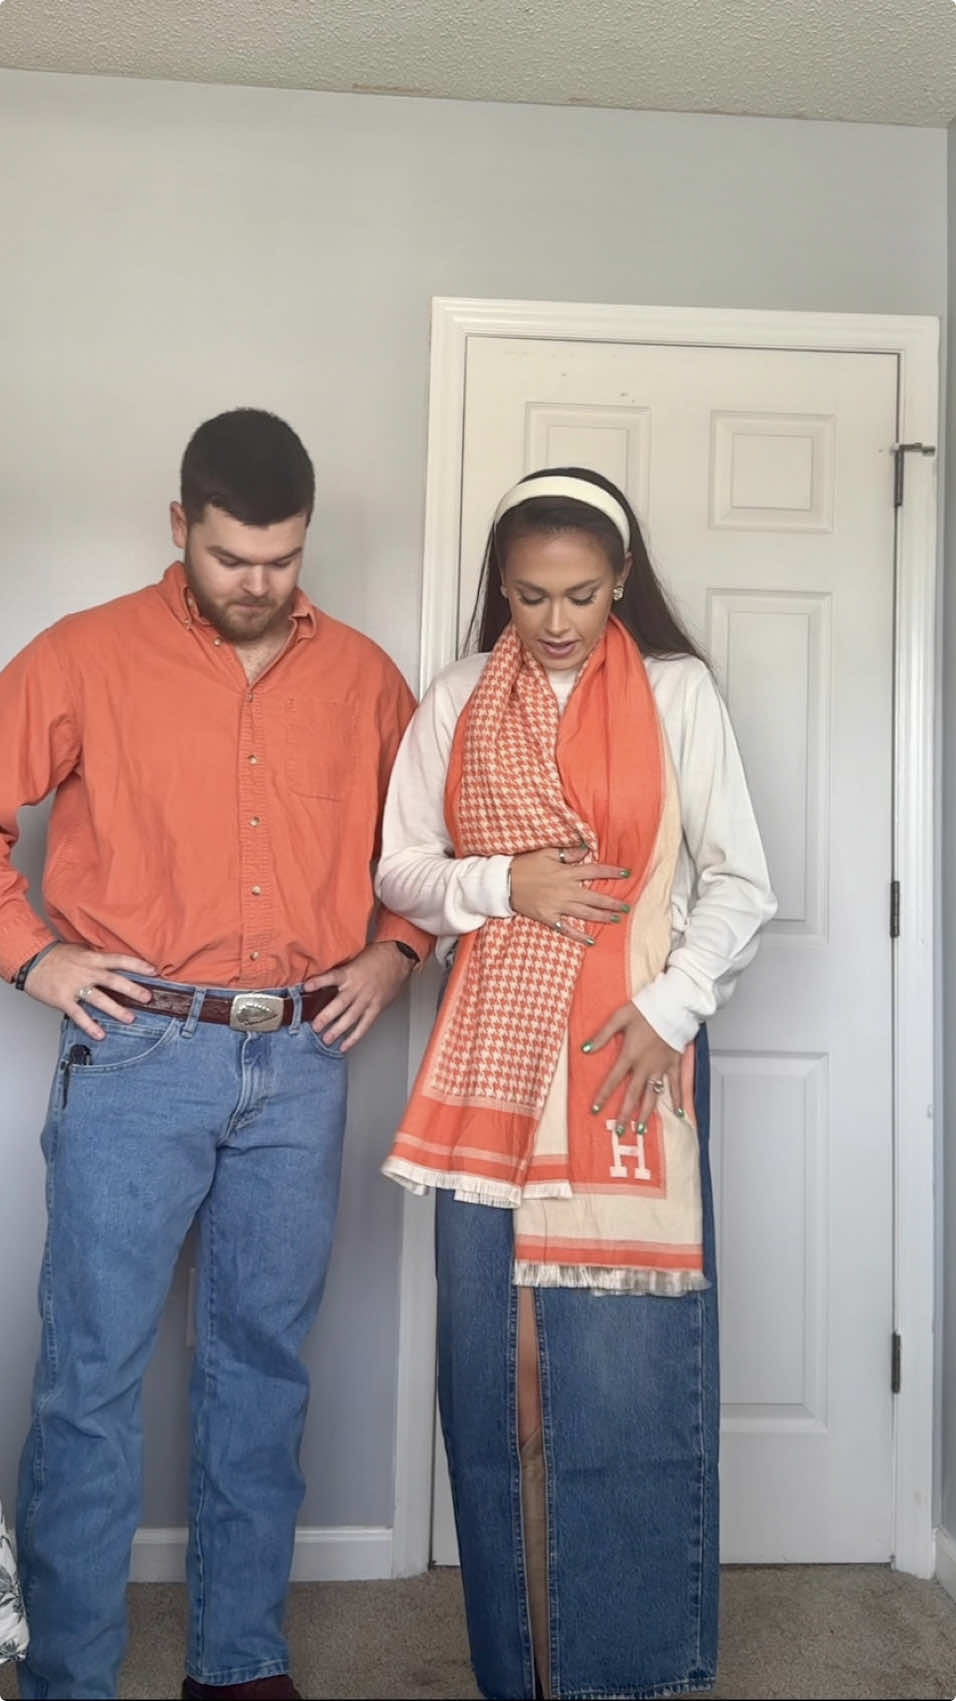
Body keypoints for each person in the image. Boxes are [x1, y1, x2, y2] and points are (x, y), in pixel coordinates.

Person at [2, 409, 428, 1701]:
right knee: (91, 1378)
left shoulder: (364, 678)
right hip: (138, 1054)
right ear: (180, 525)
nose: (260, 583)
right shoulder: (79, 658)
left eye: (283, 559)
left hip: (300, 1063)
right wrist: (34, 956)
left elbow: (426, 850)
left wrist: (393, 950)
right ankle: (70, 1676)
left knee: (262, 1370)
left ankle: (239, 1662)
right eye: (236, 555)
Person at [376, 466, 776, 1700]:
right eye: (532, 597)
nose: (556, 622)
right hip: (486, 1088)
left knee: (624, 1372)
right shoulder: (453, 698)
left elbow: (738, 882)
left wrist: (669, 1004)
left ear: (621, 585)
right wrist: (504, 884)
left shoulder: (675, 694)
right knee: (493, 1378)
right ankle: (515, 1673)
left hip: (624, 1065)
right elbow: (402, 871)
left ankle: (626, 1667)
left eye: (583, 595)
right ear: (502, 589)